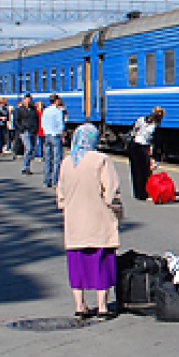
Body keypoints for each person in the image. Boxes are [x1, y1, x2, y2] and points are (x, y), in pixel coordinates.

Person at [56, 123, 124, 319]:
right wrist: (118, 209)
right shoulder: (101, 160)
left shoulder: (67, 162)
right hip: (99, 220)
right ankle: (102, 307)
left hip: (74, 222)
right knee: (101, 260)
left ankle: (80, 306)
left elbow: (60, 195)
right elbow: (111, 193)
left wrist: (67, 207)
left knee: (76, 263)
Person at [128, 106, 165, 200]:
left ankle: (138, 193)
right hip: (143, 147)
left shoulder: (141, 120)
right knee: (143, 171)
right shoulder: (155, 126)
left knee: (136, 171)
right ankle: (143, 193)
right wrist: (154, 156)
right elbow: (155, 142)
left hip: (135, 146)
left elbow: (133, 130)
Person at [41, 94, 67, 188]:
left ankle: (46, 180)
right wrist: (63, 136)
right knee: (57, 159)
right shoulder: (58, 112)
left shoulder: (45, 111)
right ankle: (55, 181)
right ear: (56, 100)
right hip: (55, 135)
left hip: (47, 135)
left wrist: (45, 132)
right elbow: (61, 125)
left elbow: (42, 124)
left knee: (48, 159)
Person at [14, 95, 39, 173]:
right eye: (27, 100)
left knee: (31, 149)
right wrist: (21, 128)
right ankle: (25, 167)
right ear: (23, 101)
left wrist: (36, 128)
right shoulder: (20, 110)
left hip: (33, 131)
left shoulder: (33, 110)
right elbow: (16, 121)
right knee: (29, 148)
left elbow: (36, 119)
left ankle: (27, 166)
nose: (28, 102)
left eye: (30, 100)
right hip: (25, 131)